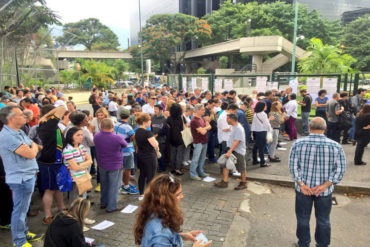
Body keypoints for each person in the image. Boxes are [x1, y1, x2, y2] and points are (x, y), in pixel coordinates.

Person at [289, 117, 346, 247]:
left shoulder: (298, 144)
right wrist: (325, 185)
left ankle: (303, 243)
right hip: (324, 191)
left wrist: (302, 184)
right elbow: (340, 169)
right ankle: (322, 244)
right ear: (325, 128)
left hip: (303, 190)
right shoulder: (336, 146)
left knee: (303, 219)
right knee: (323, 220)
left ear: (309, 127)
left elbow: (293, 167)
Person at [0, 106, 42, 247]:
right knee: (19, 210)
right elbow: (31, 152)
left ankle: (23, 231)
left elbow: (34, 144)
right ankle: (19, 241)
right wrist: (32, 149)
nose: (25, 116)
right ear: (10, 119)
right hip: (21, 178)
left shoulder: (18, 132)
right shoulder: (7, 136)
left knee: (23, 209)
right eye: (20, 114)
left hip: (27, 175)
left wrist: (32, 148)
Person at [134, 174, 212, 247]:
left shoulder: (155, 209)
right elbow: (162, 236)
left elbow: (167, 237)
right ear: (164, 199)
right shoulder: (160, 235)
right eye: (178, 194)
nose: (182, 196)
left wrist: (181, 236)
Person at [37, 105, 67, 224]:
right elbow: (62, 108)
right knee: (50, 189)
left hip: (56, 160)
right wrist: (46, 115)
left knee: (58, 187)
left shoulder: (48, 124)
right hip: (49, 162)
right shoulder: (48, 123)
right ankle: (47, 215)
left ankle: (61, 207)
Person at [94, 118, 127, 212]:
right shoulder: (117, 137)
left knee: (104, 184)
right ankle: (112, 206)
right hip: (115, 165)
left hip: (102, 164)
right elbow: (124, 144)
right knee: (114, 186)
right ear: (112, 127)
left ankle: (103, 203)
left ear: (101, 126)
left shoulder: (97, 136)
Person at [214, 113, 247, 190]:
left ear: (231, 119)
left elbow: (237, 141)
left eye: (227, 119)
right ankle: (224, 182)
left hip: (238, 151)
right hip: (232, 149)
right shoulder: (234, 126)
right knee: (225, 165)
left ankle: (243, 183)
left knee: (241, 167)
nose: (226, 120)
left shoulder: (239, 128)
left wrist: (230, 151)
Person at [63, 127, 93, 202]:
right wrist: (84, 164)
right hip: (74, 179)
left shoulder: (81, 147)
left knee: (81, 199)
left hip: (83, 176)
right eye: (77, 135)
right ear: (71, 136)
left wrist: (79, 165)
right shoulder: (67, 150)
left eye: (81, 135)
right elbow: (75, 167)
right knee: (74, 200)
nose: (81, 137)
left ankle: (79, 213)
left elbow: (91, 161)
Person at [114, 108, 139, 195]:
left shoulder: (116, 124)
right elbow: (133, 138)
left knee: (122, 169)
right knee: (128, 169)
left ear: (120, 116)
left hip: (118, 150)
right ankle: (126, 186)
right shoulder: (127, 127)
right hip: (127, 150)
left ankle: (124, 184)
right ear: (129, 116)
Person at [135, 113, 159, 199]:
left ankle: (141, 193)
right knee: (151, 176)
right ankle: (150, 195)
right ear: (145, 122)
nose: (150, 122)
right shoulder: (147, 133)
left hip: (141, 156)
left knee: (142, 175)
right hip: (149, 157)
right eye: (149, 120)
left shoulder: (137, 131)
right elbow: (155, 145)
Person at [190, 104, 211, 180]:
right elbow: (203, 132)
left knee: (202, 158)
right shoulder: (194, 121)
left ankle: (200, 172)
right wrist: (205, 128)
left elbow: (209, 127)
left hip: (204, 141)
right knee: (195, 159)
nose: (204, 111)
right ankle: (193, 174)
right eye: (202, 110)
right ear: (197, 110)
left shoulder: (202, 118)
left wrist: (203, 128)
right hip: (198, 142)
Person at [251, 101, 272, 167]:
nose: (266, 107)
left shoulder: (256, 114)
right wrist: (270, 130)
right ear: (262, 107)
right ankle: (262, 162)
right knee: (261, 147)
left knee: (256, 146)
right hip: (262, 131)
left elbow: (254, 124)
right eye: (265, 106)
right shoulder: (263, 114)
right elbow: (266, 124)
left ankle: (255, 160)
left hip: (256, 131)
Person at [151, 104, 167, 172]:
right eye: (154, 109)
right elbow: (151, 127)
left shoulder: (164, 119)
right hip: (153, 139)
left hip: (161, 140)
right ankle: (156, 166)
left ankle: (162, 168)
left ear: (160, 110)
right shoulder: (153, 117)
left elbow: (165, 130)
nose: (155, 110)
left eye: (156, 109)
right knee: (154, 154)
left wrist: (157, 134)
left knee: (161, 154)